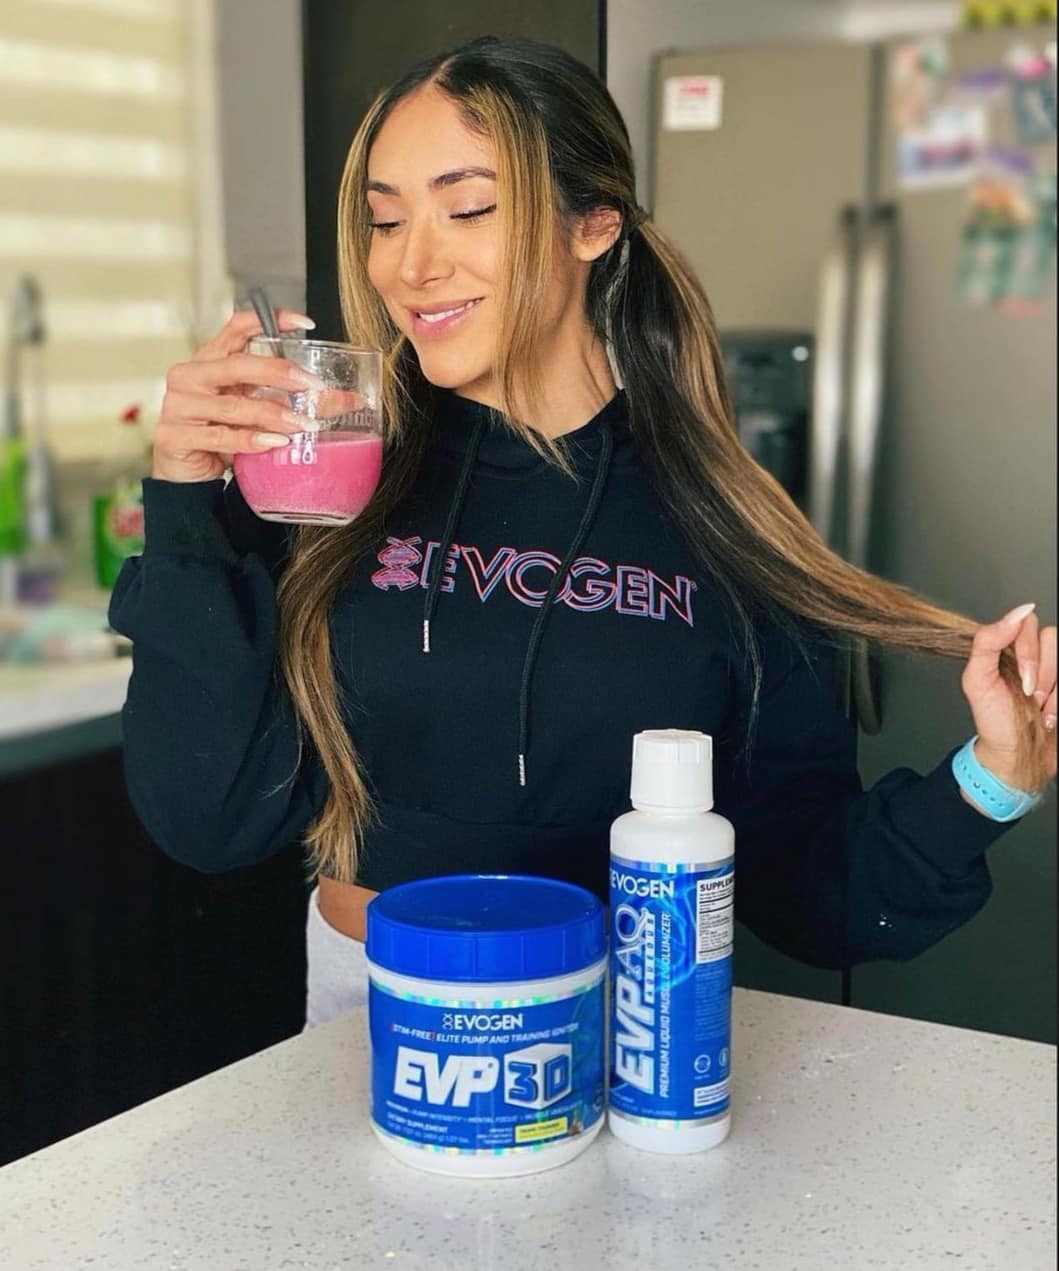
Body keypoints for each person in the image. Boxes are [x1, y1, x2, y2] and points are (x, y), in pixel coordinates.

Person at [109, 37, 1056, 1030]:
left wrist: (989, 781)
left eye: (468, 208)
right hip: (370, 1026)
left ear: (593, 223)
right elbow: (208, 818)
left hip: (634, 1030)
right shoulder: (333, 482)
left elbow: (810, 893)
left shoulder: (723, 521)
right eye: (385, 219)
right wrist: (186, 503)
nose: (411, 264)